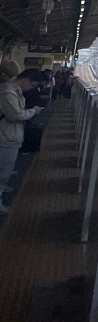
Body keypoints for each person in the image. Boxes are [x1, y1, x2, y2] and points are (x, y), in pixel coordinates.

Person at [0, 61, 41, 215]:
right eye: (32, 85)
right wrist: (33, 111)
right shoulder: (7, 92)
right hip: (5, 137)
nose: (31, 88)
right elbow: (15, 115)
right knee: (3, 172)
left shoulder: (12, 91)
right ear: (25, 80)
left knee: (5, 171)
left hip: (9, 136)